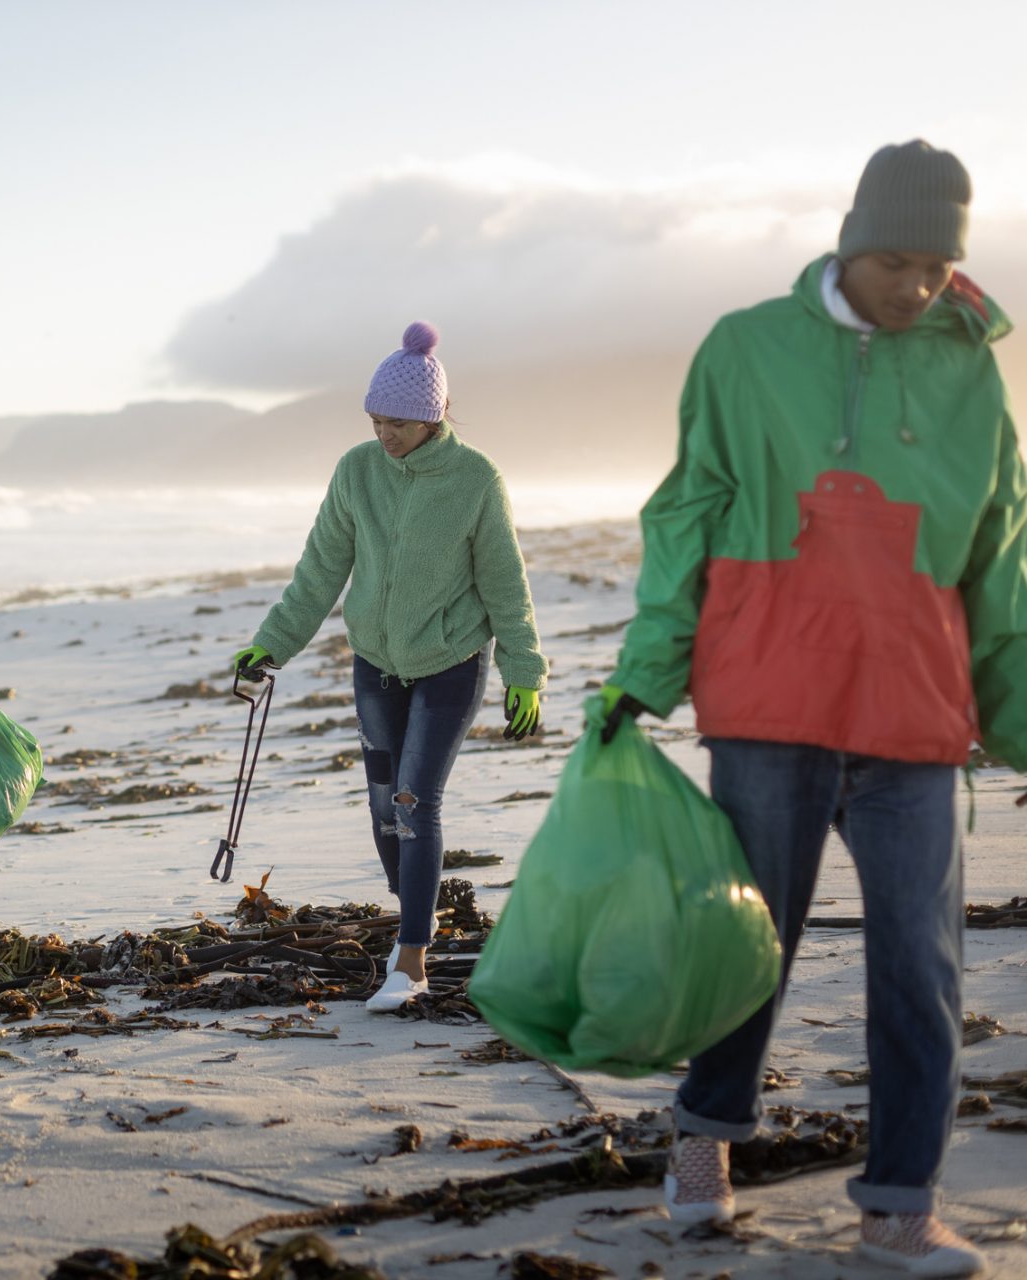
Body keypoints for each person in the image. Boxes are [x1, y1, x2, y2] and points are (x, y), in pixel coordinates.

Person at [602, 140, 1025, 1277]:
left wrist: (1019, 714)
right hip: (770, 699)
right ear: (849, 240)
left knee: (922, 967)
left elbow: (998, 552)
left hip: (915, 712)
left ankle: (898, 1207)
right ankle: (703, 1147)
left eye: (939, 266)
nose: (918, 286)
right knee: (750, 949)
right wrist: (650, 665)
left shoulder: (970, 373)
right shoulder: (746, 348)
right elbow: (687, 508)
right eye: (897, 259)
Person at [234, 323, 546, 1012]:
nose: (385, 435)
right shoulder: (356, 472)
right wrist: (271, 645)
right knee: (382, 809)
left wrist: (525, 672)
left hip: (450, 662)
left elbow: (504, 584)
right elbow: (319, 572)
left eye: (397, 423)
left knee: (412, 802)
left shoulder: (475, 481)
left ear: (432, 416)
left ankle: (411, 960)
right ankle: (419, 912)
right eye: (376, 421)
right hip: (376, 662)